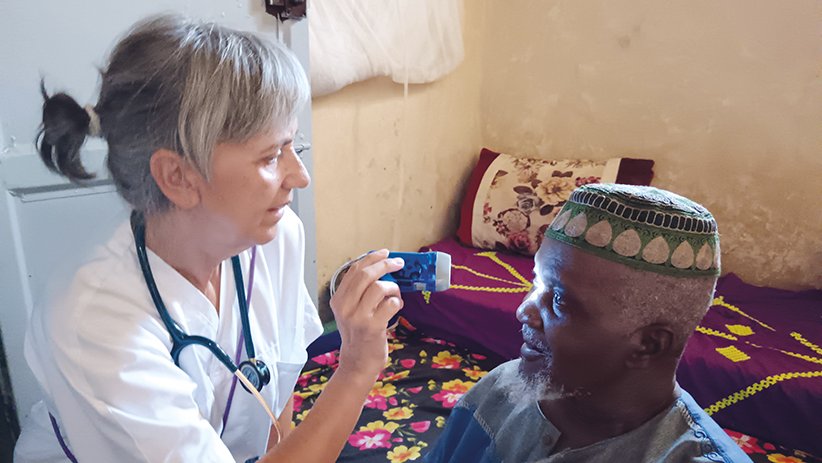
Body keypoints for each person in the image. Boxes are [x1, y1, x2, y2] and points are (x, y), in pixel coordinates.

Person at [14, 14, 405, 463]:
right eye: (271, 155)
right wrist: (356, 368)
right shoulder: (94, 322)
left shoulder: (275, 239)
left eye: (294, 147)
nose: (300, 177)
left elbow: (275, 404)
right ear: (177, 176)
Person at [425, 184, 753, 463]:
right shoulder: (498, 391)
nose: (525, 312)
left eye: (559, 300)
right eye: (537, 284)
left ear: (650, 345)